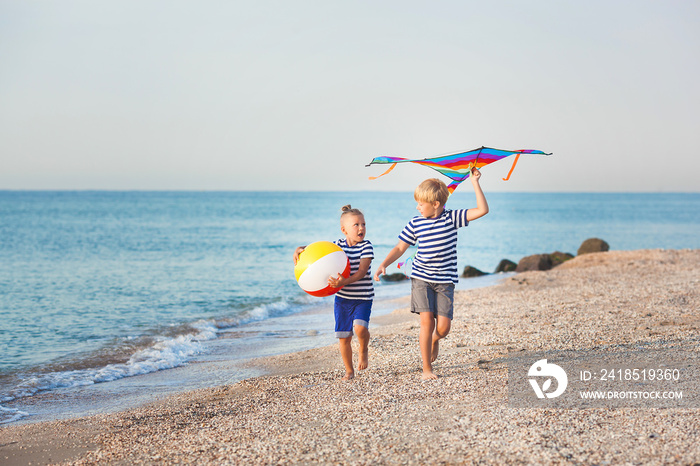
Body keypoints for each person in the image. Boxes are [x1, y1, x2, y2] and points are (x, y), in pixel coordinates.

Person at [374, 169, 489, 380]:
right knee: (427, 322)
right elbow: (400, 248)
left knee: (443, 329)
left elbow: (482, 210)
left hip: (445, 281)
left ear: (435, 204)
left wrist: (474, 182)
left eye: (420, 203)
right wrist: (384, 264)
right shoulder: (415, 223)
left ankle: (435, 340)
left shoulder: (453, 218)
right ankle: (427, 369)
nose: (417, 207)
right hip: (421, 279)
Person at [294, 205, 374, 380]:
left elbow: (361, 272)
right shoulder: (337, 246)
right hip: (343, 299)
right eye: (356, 225)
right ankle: (349, 371)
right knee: (344, 336)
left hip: (363, 298)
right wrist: (300, 249)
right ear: (344, 230)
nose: (361, 228)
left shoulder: (366, 246)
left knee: (360, 329)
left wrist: (344, 281)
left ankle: (363, 349)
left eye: (363, 224)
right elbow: (318, 252)